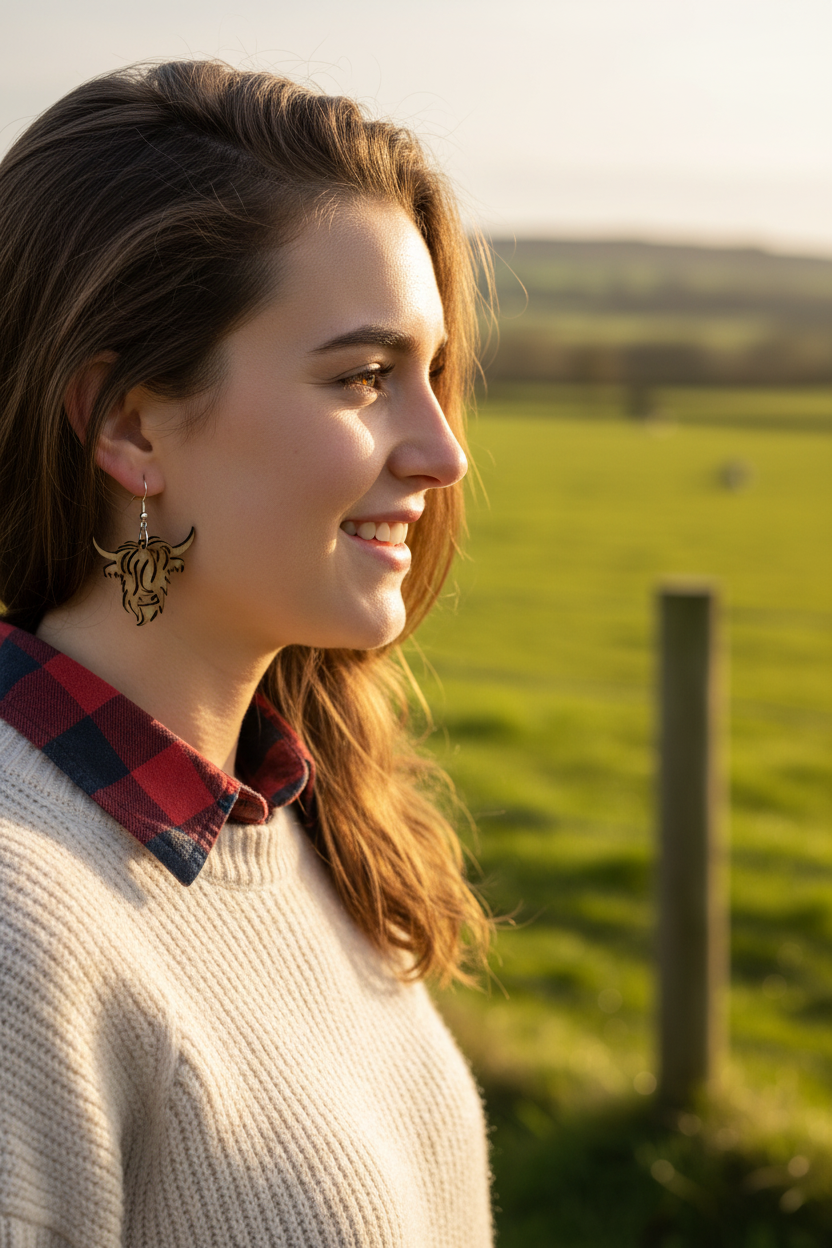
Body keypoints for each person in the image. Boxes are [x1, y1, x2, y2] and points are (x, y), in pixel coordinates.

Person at [0, 60, 493, 1247]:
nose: (440, 451)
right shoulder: (21, 922)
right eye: (364, 377)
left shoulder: (301, 824)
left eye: (431, 375)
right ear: (129, 427)